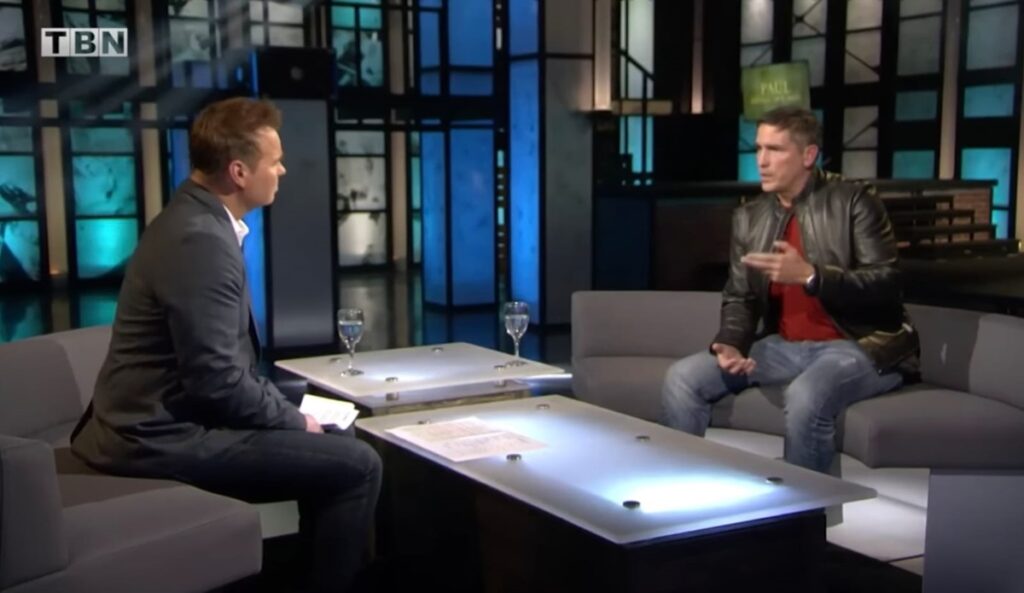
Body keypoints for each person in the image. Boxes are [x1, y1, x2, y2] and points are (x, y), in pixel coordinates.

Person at [71, 97, 382, 592]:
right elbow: (216, 382)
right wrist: (293, 420)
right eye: (274, 161)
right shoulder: (199, 239)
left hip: (168, 415)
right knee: (359, 466)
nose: (282, 170)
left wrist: (293, 411)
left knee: (334, 426)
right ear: (239, 172)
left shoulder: (194, 218)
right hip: (158, 437)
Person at [661, 106, 919, 474]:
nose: (762, 161)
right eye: (759, 149)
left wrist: (813, 276)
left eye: (775, 150)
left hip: (860, 345)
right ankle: (683, 489)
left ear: (808, 155)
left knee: (805, 396)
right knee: (682, 378)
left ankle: (807, 508)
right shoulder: (750, 217)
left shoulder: (854, 200)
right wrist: (731, 343)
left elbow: (887, 282)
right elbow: (740, 295)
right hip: (784, 347)